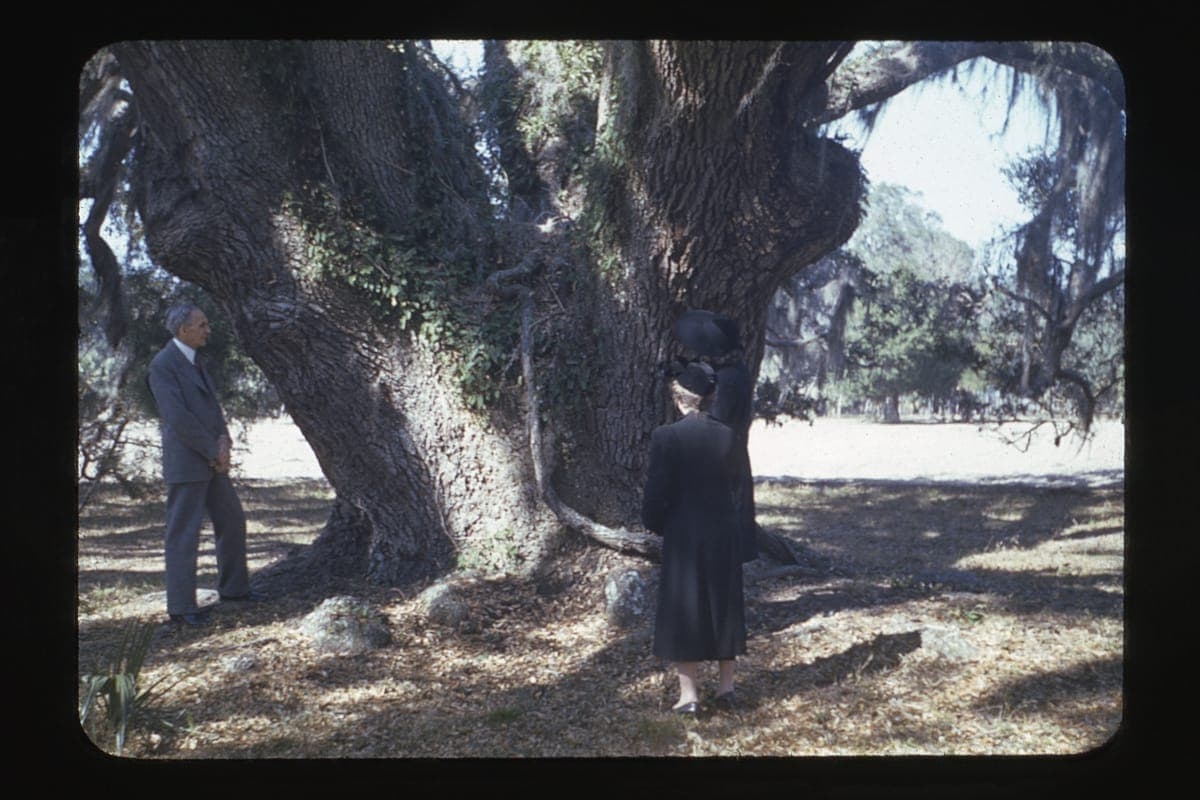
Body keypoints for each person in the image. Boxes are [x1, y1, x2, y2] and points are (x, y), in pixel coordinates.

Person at [147, 302, 264, 627]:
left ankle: (235, 590)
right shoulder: (163, 365)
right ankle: (182, 607)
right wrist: (213, 452)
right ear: (184, 330)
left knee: (232, 520)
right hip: (188, 462)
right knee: (184, 534)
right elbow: (178, 418)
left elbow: (212, 410)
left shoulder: (197, 361)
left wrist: (224, 441)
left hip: (213, 460)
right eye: (202, 325)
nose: (207, 329)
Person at [642, 361, 747, 715]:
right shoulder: (730, 435)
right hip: (722, 529)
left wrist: (656, 523)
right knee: (724, 604)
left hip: (684, 532)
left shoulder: (666, 437)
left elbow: (657, 493)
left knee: (684, 606)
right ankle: (727, 689)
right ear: (710, 397)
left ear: (678, 398)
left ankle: (689, 697)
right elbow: (737, 486)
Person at [674, 310, 757, 563]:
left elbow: (715, 421)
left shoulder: (728, 380)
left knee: (723, 529)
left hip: (722, 459)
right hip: (731, 455)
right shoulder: (735, 369)